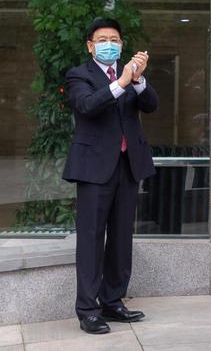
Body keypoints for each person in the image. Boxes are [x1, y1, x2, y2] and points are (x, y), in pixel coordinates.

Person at [62, 18, 159, 334]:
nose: (109, 44)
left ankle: (113, 301)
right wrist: (121, 82)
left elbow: (152, 105)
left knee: (121, 238)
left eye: (114, 39)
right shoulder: (80, 75)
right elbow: (87, 105)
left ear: (122, 44)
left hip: (127, 165)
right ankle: (88, 310)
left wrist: (138, 80)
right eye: (102, 39)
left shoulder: (131, 76)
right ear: (90, 45)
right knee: (91, 240)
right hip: (93, 169)